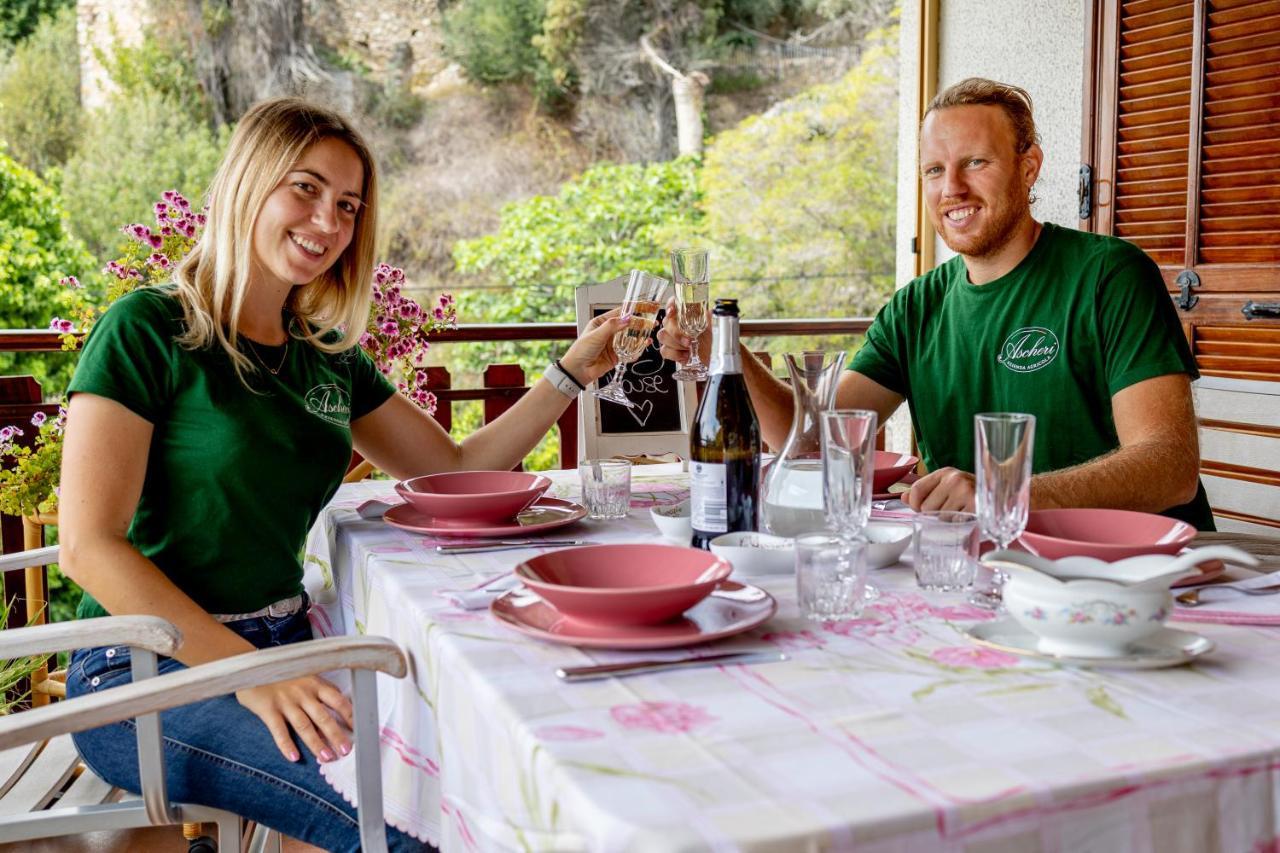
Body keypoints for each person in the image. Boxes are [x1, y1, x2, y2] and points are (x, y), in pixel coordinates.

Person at [59, 97, 626, 852]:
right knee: (407, 828)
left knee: (484, 774)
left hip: (288, 643)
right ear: (247, 184)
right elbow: (88, 547)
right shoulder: (145, 329)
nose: (328, 222)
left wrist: (569, 371)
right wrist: (252, 675)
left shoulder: (324, 354)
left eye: (348, 205)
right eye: (305, 189)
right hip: (144, 674)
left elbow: (454, 468)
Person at [659, 77, 1212, 530]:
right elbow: (810, 442)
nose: (952, 188)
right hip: (996, 569)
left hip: (1141, 573)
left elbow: (1170, 467)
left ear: (1028, 167)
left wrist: (1004, 495)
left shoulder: (1108, 275)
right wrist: (719, 342)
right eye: (933, 170)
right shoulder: (915, 307)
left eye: (976, 163)